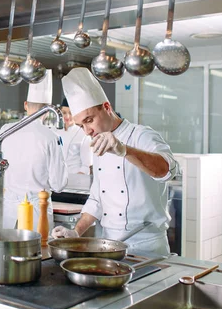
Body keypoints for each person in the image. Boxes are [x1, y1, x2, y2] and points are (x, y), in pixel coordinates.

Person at [51, 68, 179, 256]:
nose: (87, 131)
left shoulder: (141, 135)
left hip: (147, 246)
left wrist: (124, 150)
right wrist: (76, 231)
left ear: (107, 107)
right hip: (110, 245)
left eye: (89, 120)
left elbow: (167, 170)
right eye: (81, 125)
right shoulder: (98, 144)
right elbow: (97, 197)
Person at [0, 70, 68, 231]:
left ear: (25, 105)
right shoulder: (51, 137)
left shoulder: (4, 131)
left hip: (7, 211)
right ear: (48, 109)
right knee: (37, 254)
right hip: (37, 214)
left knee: (6, 253)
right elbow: (59, 184)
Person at [59, 97, 93, 178]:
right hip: (58, 179)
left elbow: (87, 165)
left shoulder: (84, 133)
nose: (67, 116)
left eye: (70, 113)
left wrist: (76, 179)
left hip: (75, 178)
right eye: (64, 112)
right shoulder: (55, 131)